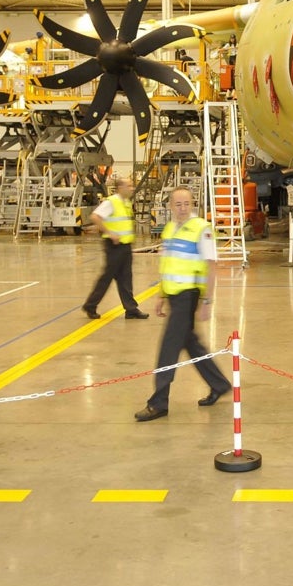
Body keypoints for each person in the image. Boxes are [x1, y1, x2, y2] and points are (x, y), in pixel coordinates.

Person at [134, 187, 231, 422]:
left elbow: (211, 266)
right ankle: (219, 384)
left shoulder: (201, 229)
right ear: (170, 206)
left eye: (186, 203)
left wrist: (207, 300)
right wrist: (162, 295)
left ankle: (158, 403)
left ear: (192, 204)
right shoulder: (169, 230)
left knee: (169, 347)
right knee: (192, 345)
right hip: (174, 296)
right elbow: (167, 266)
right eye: (178, 204)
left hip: (189, 297)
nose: (182, 208)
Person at [82, 175, 148, 320]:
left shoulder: (126, 203)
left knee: (126, 278)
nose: (132, 188)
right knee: (107, 278)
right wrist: (110, 233)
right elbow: (95, 217)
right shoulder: (112, 202)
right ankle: (90, 305)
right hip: (114, 246)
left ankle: (131, 309)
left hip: (125, 246)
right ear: (120, 188)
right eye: (129, 186)